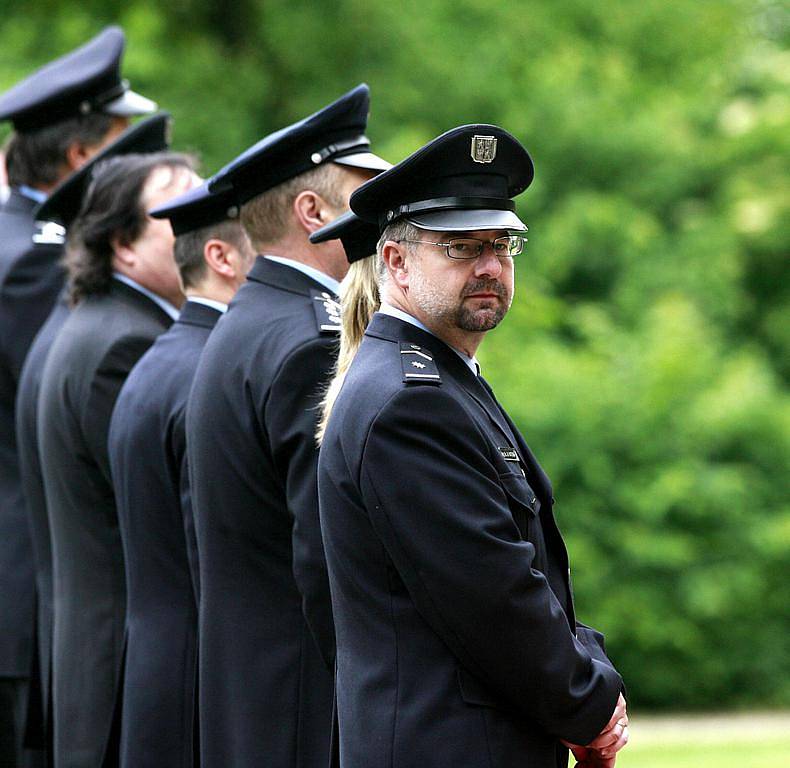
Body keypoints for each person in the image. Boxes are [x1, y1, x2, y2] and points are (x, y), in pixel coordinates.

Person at [316, 125, 629, 768]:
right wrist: (590, 702)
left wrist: (589, 668)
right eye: (461, 247)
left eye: (503, 244)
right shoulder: (412, 401)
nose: (489, 266)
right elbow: (495, 597)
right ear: (397, 261)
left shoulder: (440, 380)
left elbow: (527, 568)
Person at [186, 83, 389, 767]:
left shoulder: (247, 320)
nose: (384, 214)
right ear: (312, 211)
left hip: (252, 686)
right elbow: (323, 552)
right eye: (365, 193)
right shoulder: (308, 340)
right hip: (304, 695)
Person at [0, 28, 155, 766]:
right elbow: (62, 416)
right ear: (79, 160)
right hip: (27, 588)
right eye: (124, 147)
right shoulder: (35, 261)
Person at [37, 152, 198, 768]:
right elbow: (158, 512)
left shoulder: (96, 325)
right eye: (178, 213)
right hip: (123, 665)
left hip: (102, 656)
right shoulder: (127, 344)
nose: (204, 225)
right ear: (123, 246)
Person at [107, 181, 255, 768]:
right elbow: (212, 555)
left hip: (151, 664)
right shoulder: (209, 374)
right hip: (199, 676)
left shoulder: (158, 358)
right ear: (220, 258)